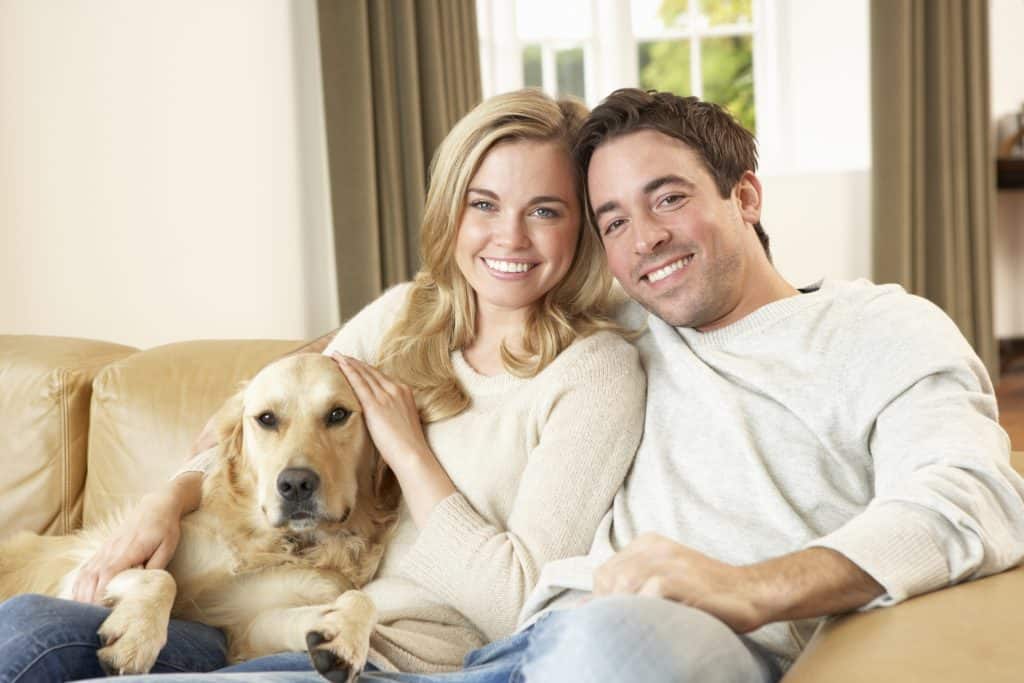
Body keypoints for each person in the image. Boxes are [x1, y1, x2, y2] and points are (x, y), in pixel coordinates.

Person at [119, 87, 1024, 683]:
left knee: (605, 639)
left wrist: (751, 585)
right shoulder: (629, 318)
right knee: (42, 642)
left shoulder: (878, 329)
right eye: (614, 220)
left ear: (745, 196)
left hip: (656, 641)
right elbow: (364, 345)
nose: (647, 240)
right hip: (494, 649)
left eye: (670, 197)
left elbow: (977, 498)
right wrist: (176, 489)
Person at [0, 89, 646, 682]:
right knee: (34, 624)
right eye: (483, 203)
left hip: (394, 653)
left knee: (40, 647)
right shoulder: (408, 315)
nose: (509, 235)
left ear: (582, 225)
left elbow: (518, 601)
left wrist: (409, 452)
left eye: (545, 210)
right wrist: (165, 499)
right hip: (269, 619)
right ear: (451, 211)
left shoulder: (593, 373)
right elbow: (277, 412)